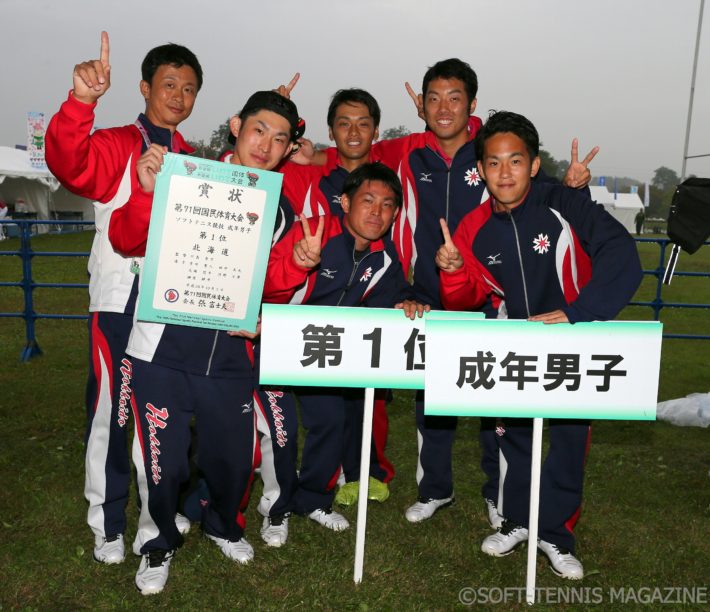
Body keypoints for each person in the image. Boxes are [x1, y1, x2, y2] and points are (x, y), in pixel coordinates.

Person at [302, 59, 597, 524]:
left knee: (495, 401)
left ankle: (499, 496)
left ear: (472, 103)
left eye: (454, 98)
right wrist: (305, 152)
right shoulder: (404, 152)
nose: (444, 108)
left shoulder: (490, 148)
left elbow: (526, 186)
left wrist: (572, 187)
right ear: (420, 104)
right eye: (433, 98)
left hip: (490, 296)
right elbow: (351, 149)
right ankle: (434, 488)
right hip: (425, 294)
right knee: (431, 400)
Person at [109, 90, 301, 595]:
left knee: (231, 460)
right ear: (236, 125)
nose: (267, 145)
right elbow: (125, 239)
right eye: (259, 129)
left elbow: (273, 284)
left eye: (280, 138)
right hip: (163, 351)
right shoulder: (182, 173)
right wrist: (149, 193)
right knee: (162, 459)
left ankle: (223, 524)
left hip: (233, 355)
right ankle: (156, 543)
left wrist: (298, 263)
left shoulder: (281, 206)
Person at [435, 110, 642, 579]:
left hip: (573, 342)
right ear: (481, 169)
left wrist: (578, 312)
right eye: (493, 163)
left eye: (514, 161)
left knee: (569, 441)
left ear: (532, 165)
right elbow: (469, 296)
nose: (503, 173)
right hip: (516, 347)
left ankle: (556, 534)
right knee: (513, 439)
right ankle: (516, 521)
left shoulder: (562, 203)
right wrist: (452, 272)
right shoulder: (472, 227)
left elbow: (620, 253)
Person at [45, 32, 200, 566]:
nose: (178, 97)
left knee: (166, 413)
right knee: (113, 414)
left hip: (175, 301)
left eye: (189, 88)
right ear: (144, 87)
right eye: (169, 85)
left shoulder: (189, 156)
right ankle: (108, 521)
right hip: (121, 297)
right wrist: (81, 102)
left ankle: (160, 507)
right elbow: (69, 163)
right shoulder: (115, 142)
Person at [262, 162, 429, 532]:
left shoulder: (384, 257)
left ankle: (313, 499)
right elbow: (267, 282)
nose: (376, 212)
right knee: (276, 431)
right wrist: (295, 261)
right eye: (367, 200)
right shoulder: (313, 232)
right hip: (271, 343)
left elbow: (394, 296)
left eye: (387, 205)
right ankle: (271, 505)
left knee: (331, 422)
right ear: (345, 201)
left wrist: (408, 301)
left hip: (325, 354)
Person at [276, 88, 395, 513]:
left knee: (351, 411)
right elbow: (257, 170)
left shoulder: (387, 186)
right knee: (275, 421)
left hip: (351, 331)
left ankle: (351, 477)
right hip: (288, 321)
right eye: (343, 123)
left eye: (363, 123)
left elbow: (392, 276)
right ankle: (277, 497)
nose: (353, 131)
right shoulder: (312, 180)